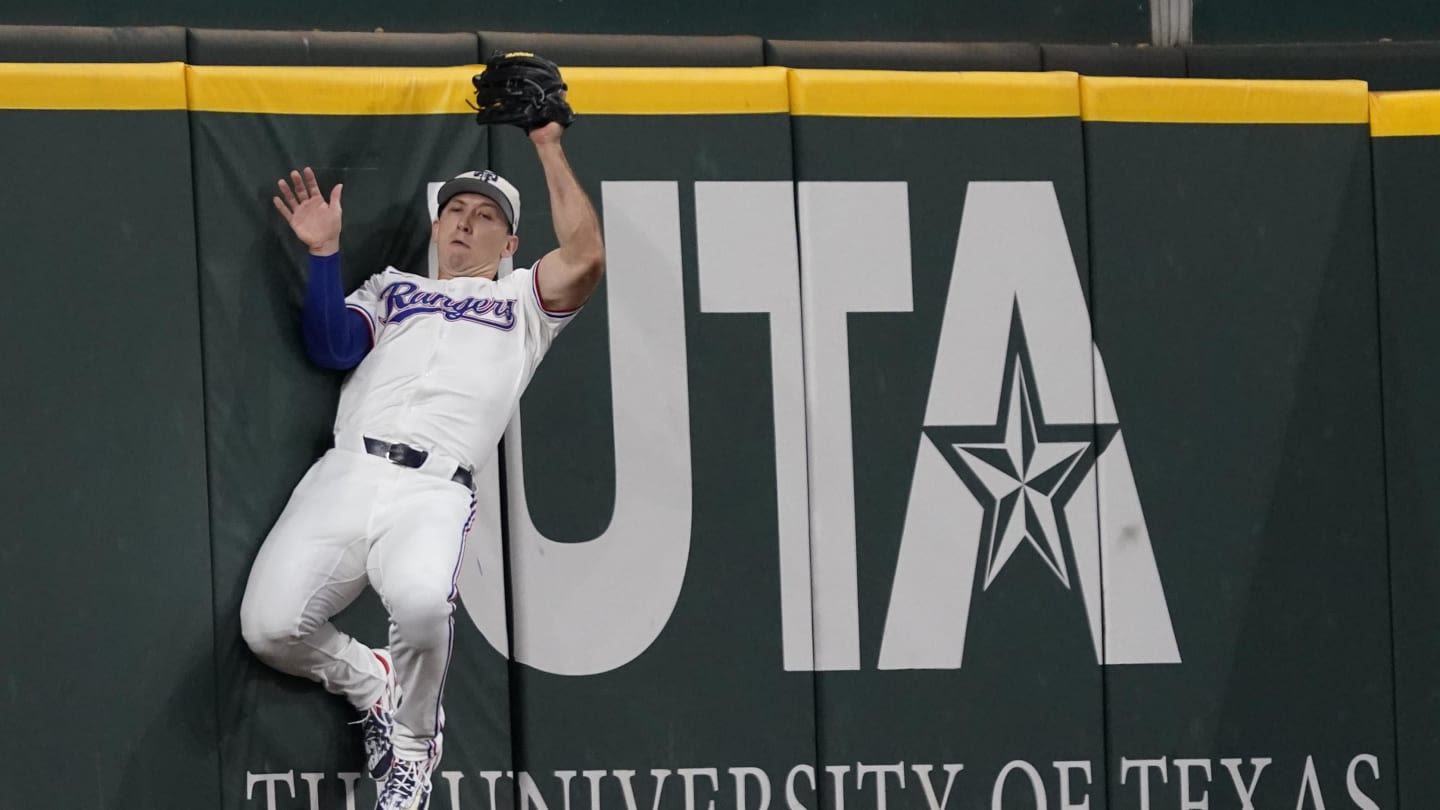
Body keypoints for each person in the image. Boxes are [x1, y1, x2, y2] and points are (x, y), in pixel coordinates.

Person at [239, 121, 604, 810]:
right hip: (346, 473)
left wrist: (549, 146)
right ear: (436, 229)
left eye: (485, 217)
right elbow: (334, 346)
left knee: (419, 603)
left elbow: (585, 254)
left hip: (432, 490)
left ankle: (411, 749)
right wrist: (324, 254)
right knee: (269, 628)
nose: (465, 225)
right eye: (455, 213)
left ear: (511, 243)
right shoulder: (392, 287)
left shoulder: (522, 303)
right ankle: (375, 684)